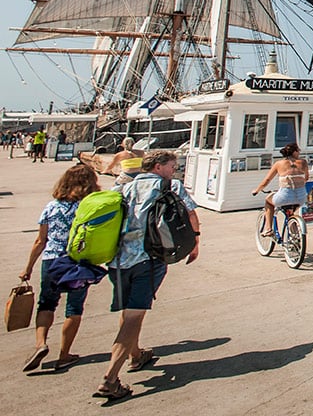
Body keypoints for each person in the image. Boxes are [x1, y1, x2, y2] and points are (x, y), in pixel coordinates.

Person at [96, 151, 199, 400]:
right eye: (171, 166)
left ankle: (136, 354)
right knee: (134, 315)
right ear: (157, 166)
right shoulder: (170, 186)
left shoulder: (123, 188)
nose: (174, 170)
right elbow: (191, 214)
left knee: (129, 311)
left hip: (119, 259)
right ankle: (110, 378)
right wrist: (195, 242)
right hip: (149, 258)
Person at [18, 163, 102, 373]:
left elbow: (40, 241)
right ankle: (64, 355)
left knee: (46, 304)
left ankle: (41, 344)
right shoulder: (90, 207)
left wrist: (27, 267)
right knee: (74, 308)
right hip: (78, 262)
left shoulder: (51, 206)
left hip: (52, 261)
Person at [252, 142, 308, 236]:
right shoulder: (303, 162)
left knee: (268, 202)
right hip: (301, 197)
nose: (299, 153)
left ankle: (269, 229)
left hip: (284, 197)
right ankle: (294, 237)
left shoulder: (279, 164)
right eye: (298, 150)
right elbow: (306, 178)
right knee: (290, 213)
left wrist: (256, 190)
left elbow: (267, 180)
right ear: (294, 152)